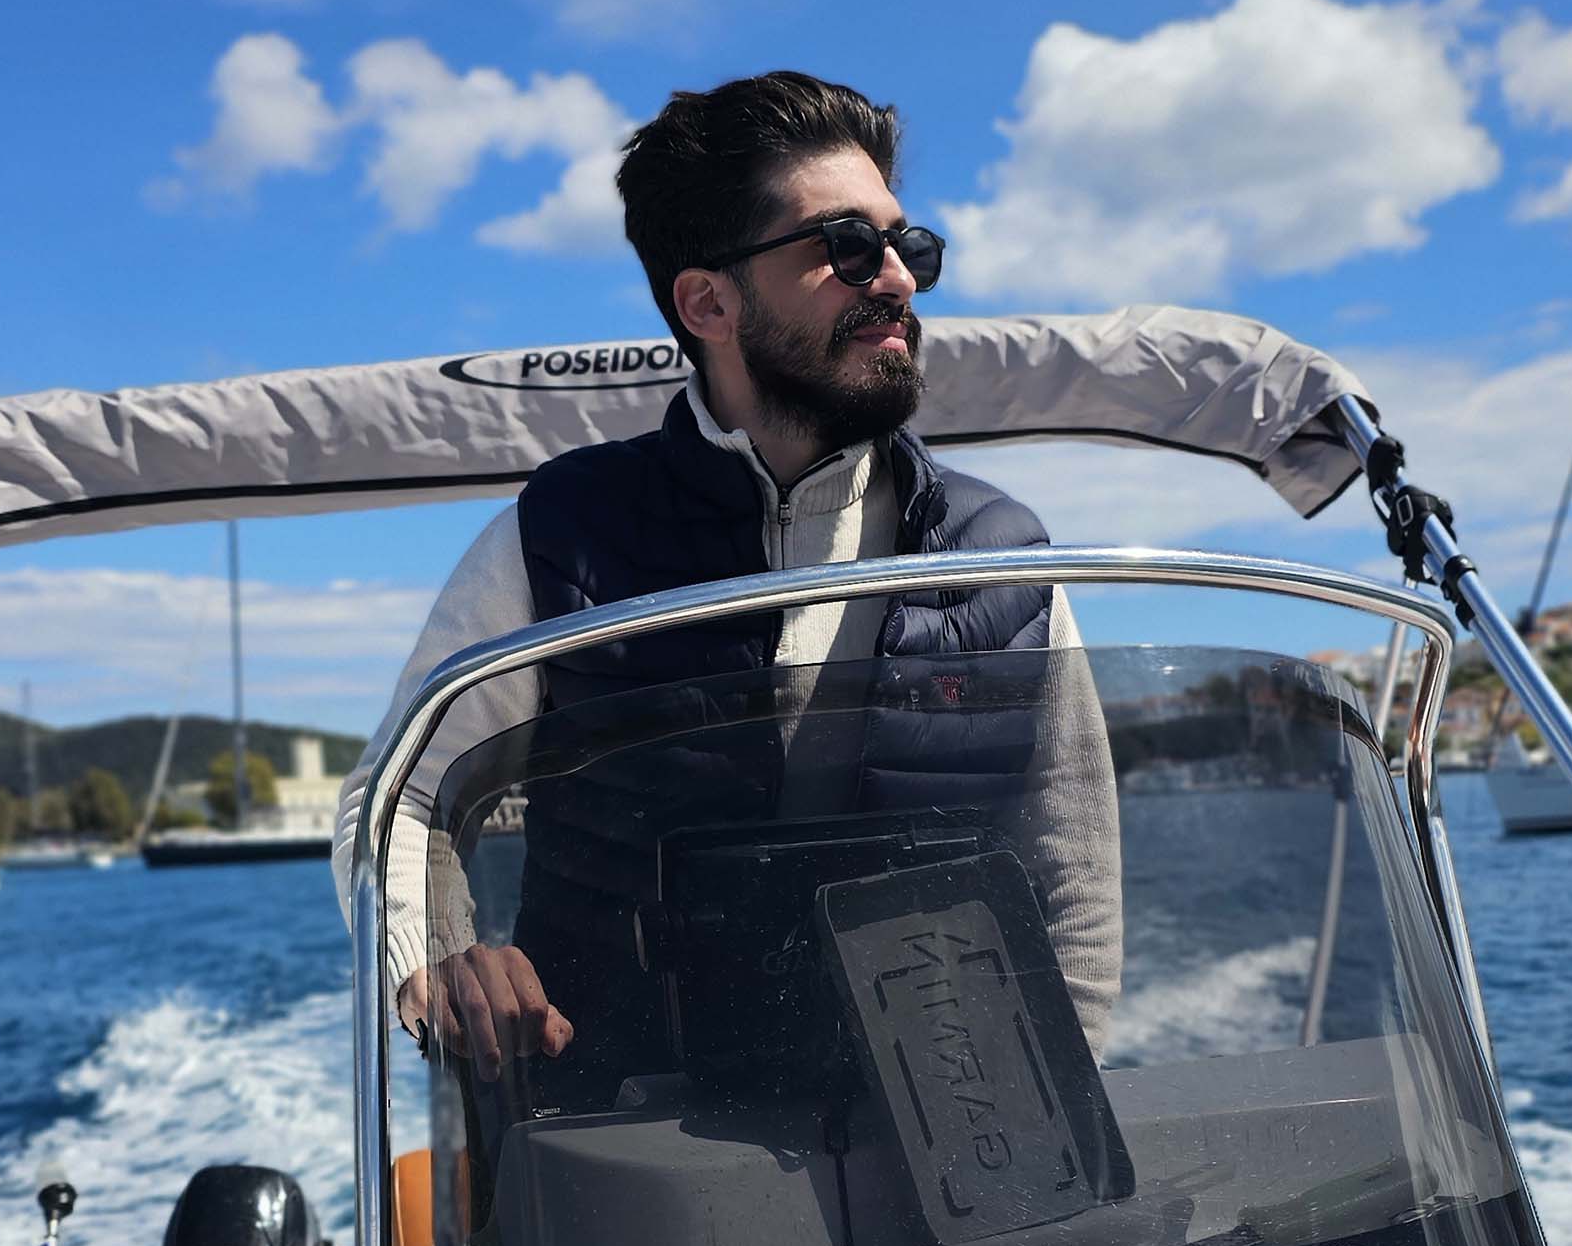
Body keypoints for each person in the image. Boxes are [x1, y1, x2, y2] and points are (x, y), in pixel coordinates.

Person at [332, 68, 1120, 1075]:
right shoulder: (560, 537)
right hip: (619, 1131)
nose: (897, 279)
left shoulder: (1001, 555)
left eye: (906, 245)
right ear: (708, 301)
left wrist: (1052, 1106)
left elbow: (1075, 881)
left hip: (942, 1131)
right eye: (847, 246)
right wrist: (438, 959)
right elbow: (401, 798)